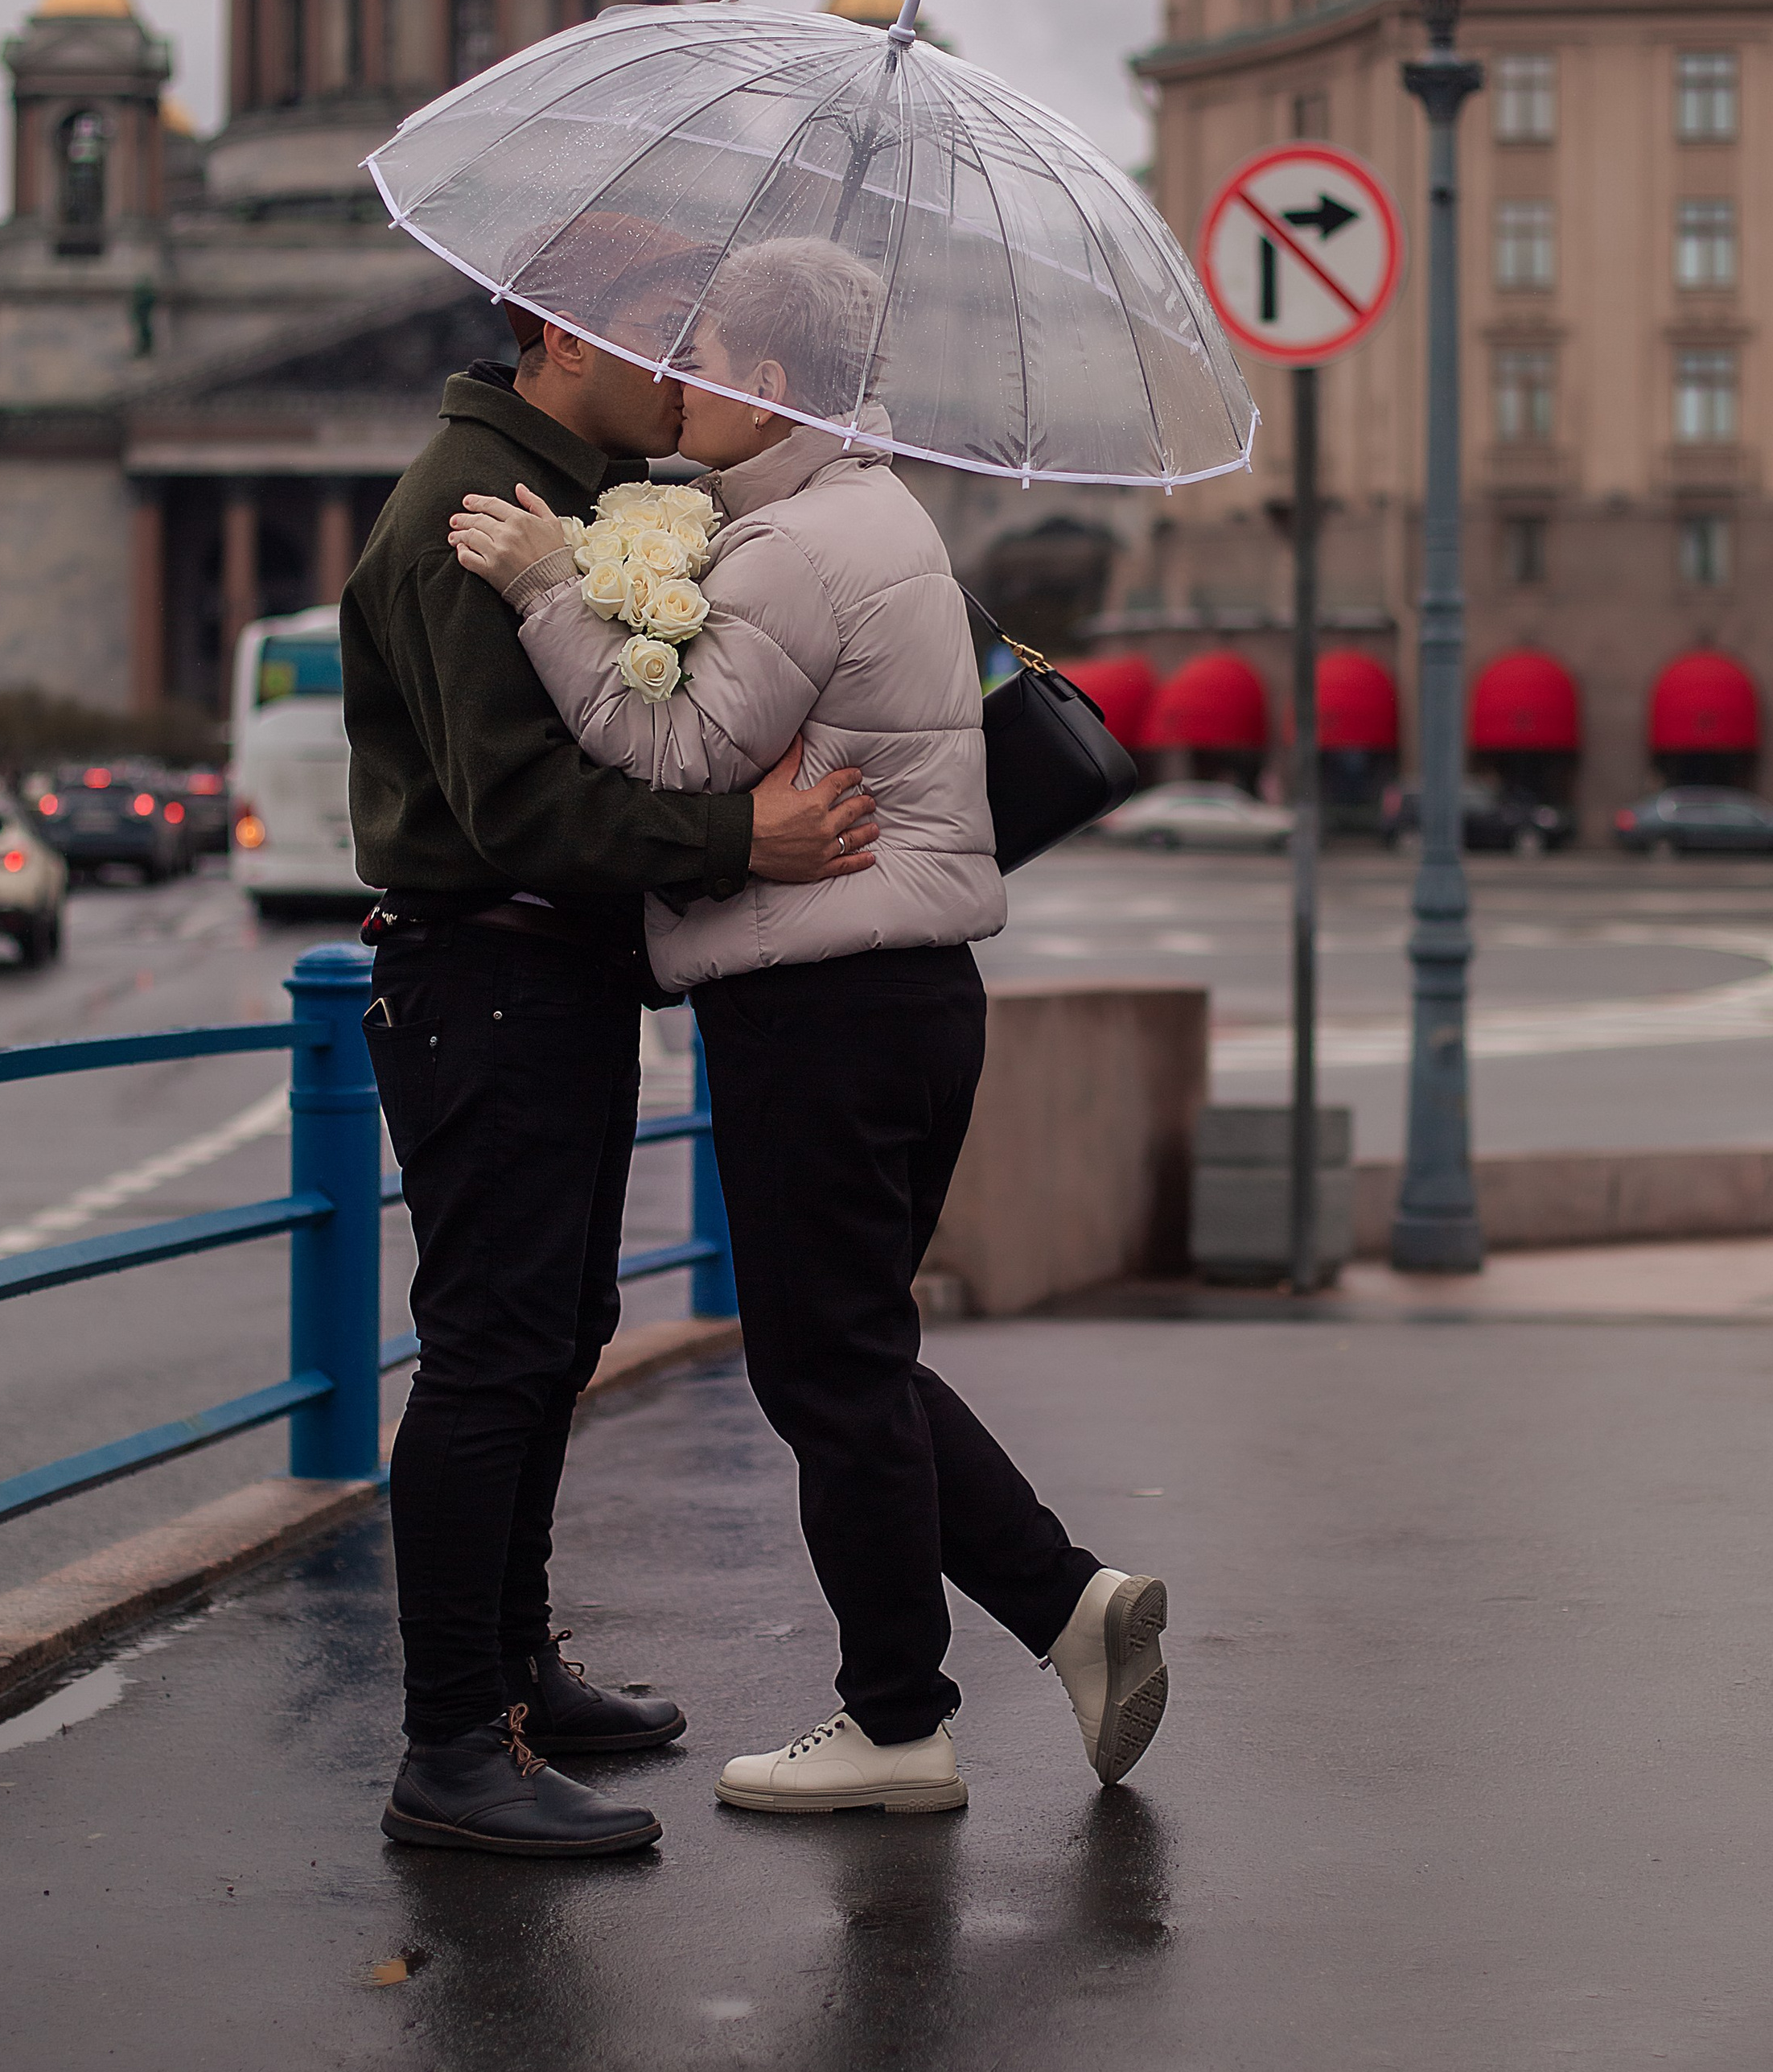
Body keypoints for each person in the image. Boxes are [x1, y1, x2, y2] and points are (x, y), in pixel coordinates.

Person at [448, 234, 1169, 1817]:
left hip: (819, 1008)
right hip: (911, 999)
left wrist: (541, 586)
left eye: (697, 353)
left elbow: (674, 749)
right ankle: (1061, 1608)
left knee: (824, 1374)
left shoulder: (793, 545)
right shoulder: (866, 512)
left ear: (763, 384)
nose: (671, 382)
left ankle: (896, 1722)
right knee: (853, 1354)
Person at [343, 268, 880, 1860]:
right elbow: (515, 810)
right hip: (487, 970)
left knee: (556, 1323)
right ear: (561, 338)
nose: (683, 372)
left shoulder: (562, 496)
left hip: (546, 976)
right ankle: (452, 1744)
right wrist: (740, 836)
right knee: (493, 1348)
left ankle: (513, 1675)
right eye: (658, 339)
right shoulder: (467, 508)